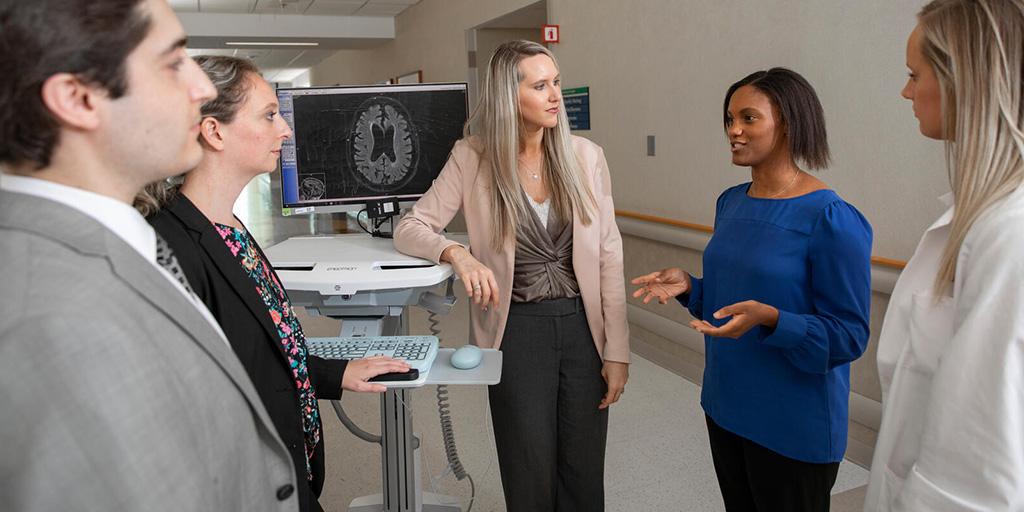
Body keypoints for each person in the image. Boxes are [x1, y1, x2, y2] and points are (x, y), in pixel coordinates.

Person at [0, 1, 300, 510]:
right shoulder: (50, 318)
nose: (202, 90)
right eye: (171, 63)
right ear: (78, 98)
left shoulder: (124, 244)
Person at [136, 55, 411, 512]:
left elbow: (261, 352)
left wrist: (334, 373)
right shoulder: (172, 247)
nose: (285, 130)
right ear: (214, 131)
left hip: (287, 468)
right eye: (269, 115)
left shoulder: (232, 230)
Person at [393, 40, 629, 511]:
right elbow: (410, 227)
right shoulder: (472, 157)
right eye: (540, 86)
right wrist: (457, 253)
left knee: (583, 471)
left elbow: (608, 254)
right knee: (528, 469)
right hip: (516, 332)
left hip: (585, 330)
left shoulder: (586, 156)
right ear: (507, 95)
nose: (555, 95)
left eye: (556, 82)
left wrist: (617, 350)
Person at [632, 68, 872, 511]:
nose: (734, 131)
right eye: (729, 119)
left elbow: (848, 335)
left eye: (748, 118)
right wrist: (690, 286)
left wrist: (775, 321)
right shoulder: (731, 202)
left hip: (792, 422)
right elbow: (732, 303)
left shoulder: (831, 218)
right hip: (726, 404)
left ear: (789, 124)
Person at [865, 1, 1024, 509]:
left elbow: (978, 472)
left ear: (965, 79)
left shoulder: (1008, 233)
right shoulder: (974, 218)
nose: (906, 91)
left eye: (915, 75)